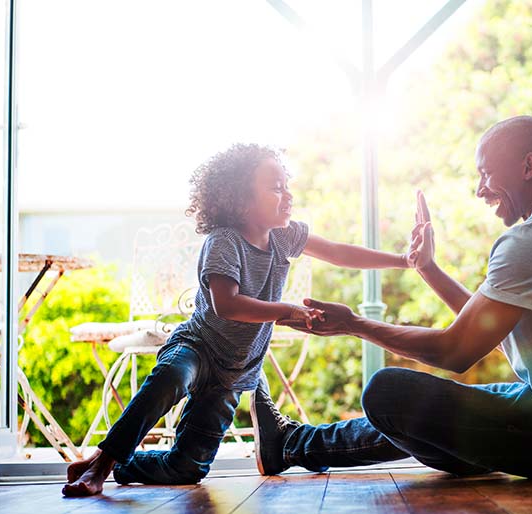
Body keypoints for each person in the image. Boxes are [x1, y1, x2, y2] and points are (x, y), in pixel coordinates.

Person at [253, 115, 532, 479]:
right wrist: (427, 267)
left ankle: (293, 445)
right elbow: (486, 327)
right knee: (457, 403)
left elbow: (455, 352)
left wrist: (353, 324)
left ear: (529, 166)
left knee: (388, 393)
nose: (480, 191)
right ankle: (289, 446)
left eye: (486, 174)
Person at [62, 143, 419, 496]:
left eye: (286, 185)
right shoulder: (223, 242)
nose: (288, 195)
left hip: (233, 374)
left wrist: (405, 260)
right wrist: (287, 310)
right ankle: (100, 465)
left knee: (187, 469)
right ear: (241, 200)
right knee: (171, 376)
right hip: (198, 349)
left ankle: (116, 467)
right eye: (276, 188)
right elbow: (226, 305)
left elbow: (339, 253)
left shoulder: (284, 236)